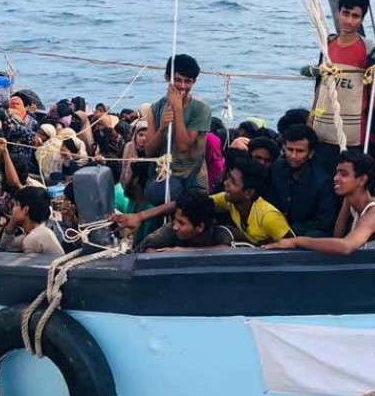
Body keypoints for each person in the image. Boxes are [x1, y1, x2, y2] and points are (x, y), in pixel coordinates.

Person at [309, 0, 375, 178]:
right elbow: (321, 86)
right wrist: (311, 119)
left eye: (355, 16)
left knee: (350, 180)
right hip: (323, 129)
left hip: (353, 133)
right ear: (338, 13)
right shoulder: (327, 46)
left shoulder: (368, 50)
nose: (349, 21)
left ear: (362, 19)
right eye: (346, 13)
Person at [113, 157, 291, 246]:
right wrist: (140, 216)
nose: (225, 184)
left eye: (233, 182)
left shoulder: (269, 216)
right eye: (227, 179)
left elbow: (294, 251)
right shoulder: (229, 200)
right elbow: (187, 203)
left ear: (249, 192)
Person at [266, 151, 375, 254]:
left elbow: (345, 246)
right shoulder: (356, 201)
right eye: (336, 172)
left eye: (343, 174)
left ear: (362, 180)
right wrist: (347, 200)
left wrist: (296, 241)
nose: (336, 178)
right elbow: (338, 235)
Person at [144, 54, 213, 199]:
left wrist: (178, 110)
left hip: (192, 175)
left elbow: (183, 147)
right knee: (154, 192)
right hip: (164, 174)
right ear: (167, 78)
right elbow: (149, 152)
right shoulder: (154, 109)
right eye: (178, 80)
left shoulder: (201, 109)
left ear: (194, 82)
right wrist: (162, 128)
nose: (182, 86)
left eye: (188, 81)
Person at [267, 124, 336, 237]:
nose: (293, 156)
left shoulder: (323, 182)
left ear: (311, 153)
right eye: (290, 150)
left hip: (304, 239)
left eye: (300, 151)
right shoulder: (277, 169)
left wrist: (289, 232)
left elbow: (323, 222)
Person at [138, 189, 236, 253]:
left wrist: (186, 251)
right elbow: (148, 246)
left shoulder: (219, 234)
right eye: (175, 220)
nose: (175, 226)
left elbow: (226, 249)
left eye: (181, 223)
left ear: (200, 227)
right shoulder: (172, 230)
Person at [0, 186, 65, 255]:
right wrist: (12, 223)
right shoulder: (40, 231)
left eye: (16, 205)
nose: (13, 209)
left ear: (26, 209)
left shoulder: (32, 239)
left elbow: (2, 250)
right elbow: (6, 247)